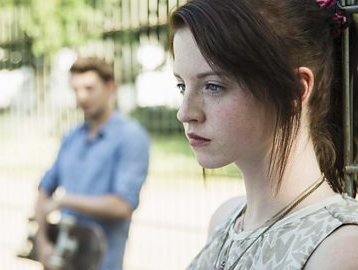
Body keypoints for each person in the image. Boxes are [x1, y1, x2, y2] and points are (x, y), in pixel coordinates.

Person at [169, 0, 358, 269]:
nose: (185, 112)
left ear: (295, 91)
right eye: (181, 86)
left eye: (212, 86)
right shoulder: (226, 220)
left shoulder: (340, 250)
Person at [34, 57, 150, 270]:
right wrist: (42, 242)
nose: (81, 97)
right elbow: (44, 188)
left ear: (110, 87)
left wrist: (65, 201)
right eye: (75, 90)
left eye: (89, 88)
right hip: (62, 261)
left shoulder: (131, 137)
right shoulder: (71, 137)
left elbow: (122, 206)